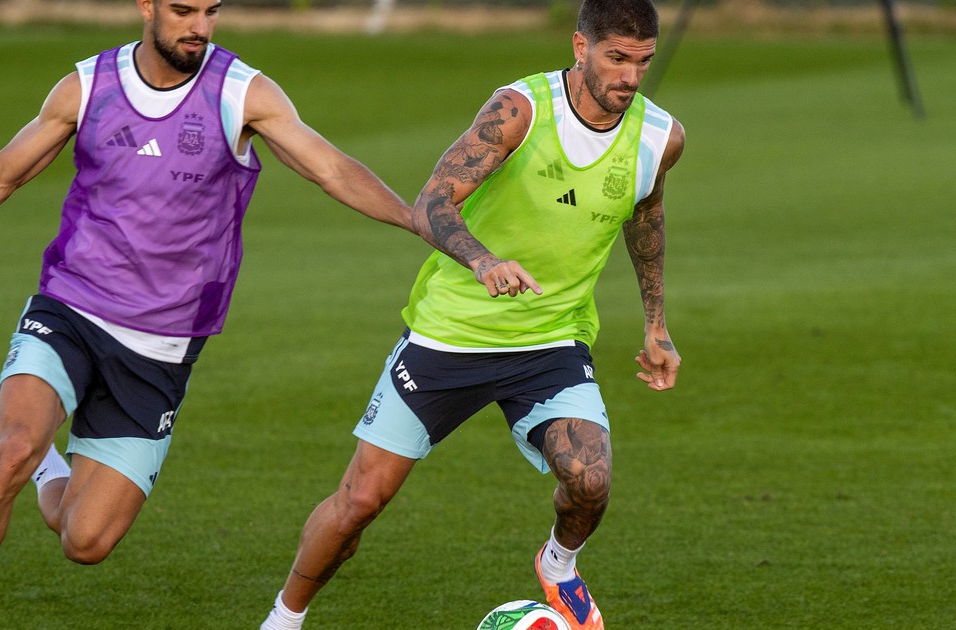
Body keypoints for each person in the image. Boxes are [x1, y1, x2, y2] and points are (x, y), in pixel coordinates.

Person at [0, 1, 536, 627]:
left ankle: (48, 466)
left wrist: (422, 223)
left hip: (162, 348)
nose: (200, 27)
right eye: (183, 10)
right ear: (147, 6)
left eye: (211, 11)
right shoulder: (87, 87)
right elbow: (3, 172)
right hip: (70, 307)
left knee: (84, 540)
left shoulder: (243, 93)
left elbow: (330, 169)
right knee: (9, 450)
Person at [259, 1, 683, 629]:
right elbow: (432, 203)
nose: (629, 76)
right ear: (580, 47)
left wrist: (656, 323)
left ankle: (558, 565)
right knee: (360, 503)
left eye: (642, 62)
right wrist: (483, 261)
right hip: (450, 337)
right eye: (616, 58)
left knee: (590, 480)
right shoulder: (520, 110)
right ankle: (284, 618)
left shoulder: (660, 137)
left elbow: (646, 215)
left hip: (550, 342)